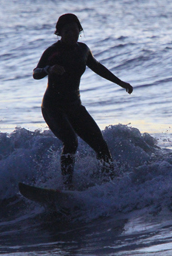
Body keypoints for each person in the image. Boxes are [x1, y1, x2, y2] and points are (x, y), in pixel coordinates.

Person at [33, 13, 133, 188]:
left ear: (80, 30)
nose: (71, 35)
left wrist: (121, 83)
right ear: (59, 33)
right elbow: (36, 73)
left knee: (101, 146)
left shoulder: (83, 50)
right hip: (53, 107)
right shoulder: (52, 51)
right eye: (67, 32)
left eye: (74, 31)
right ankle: (67, 186)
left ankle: (110, 183)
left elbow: (98, 68)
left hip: (74, 106)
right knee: (71, 142)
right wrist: (49, 69)